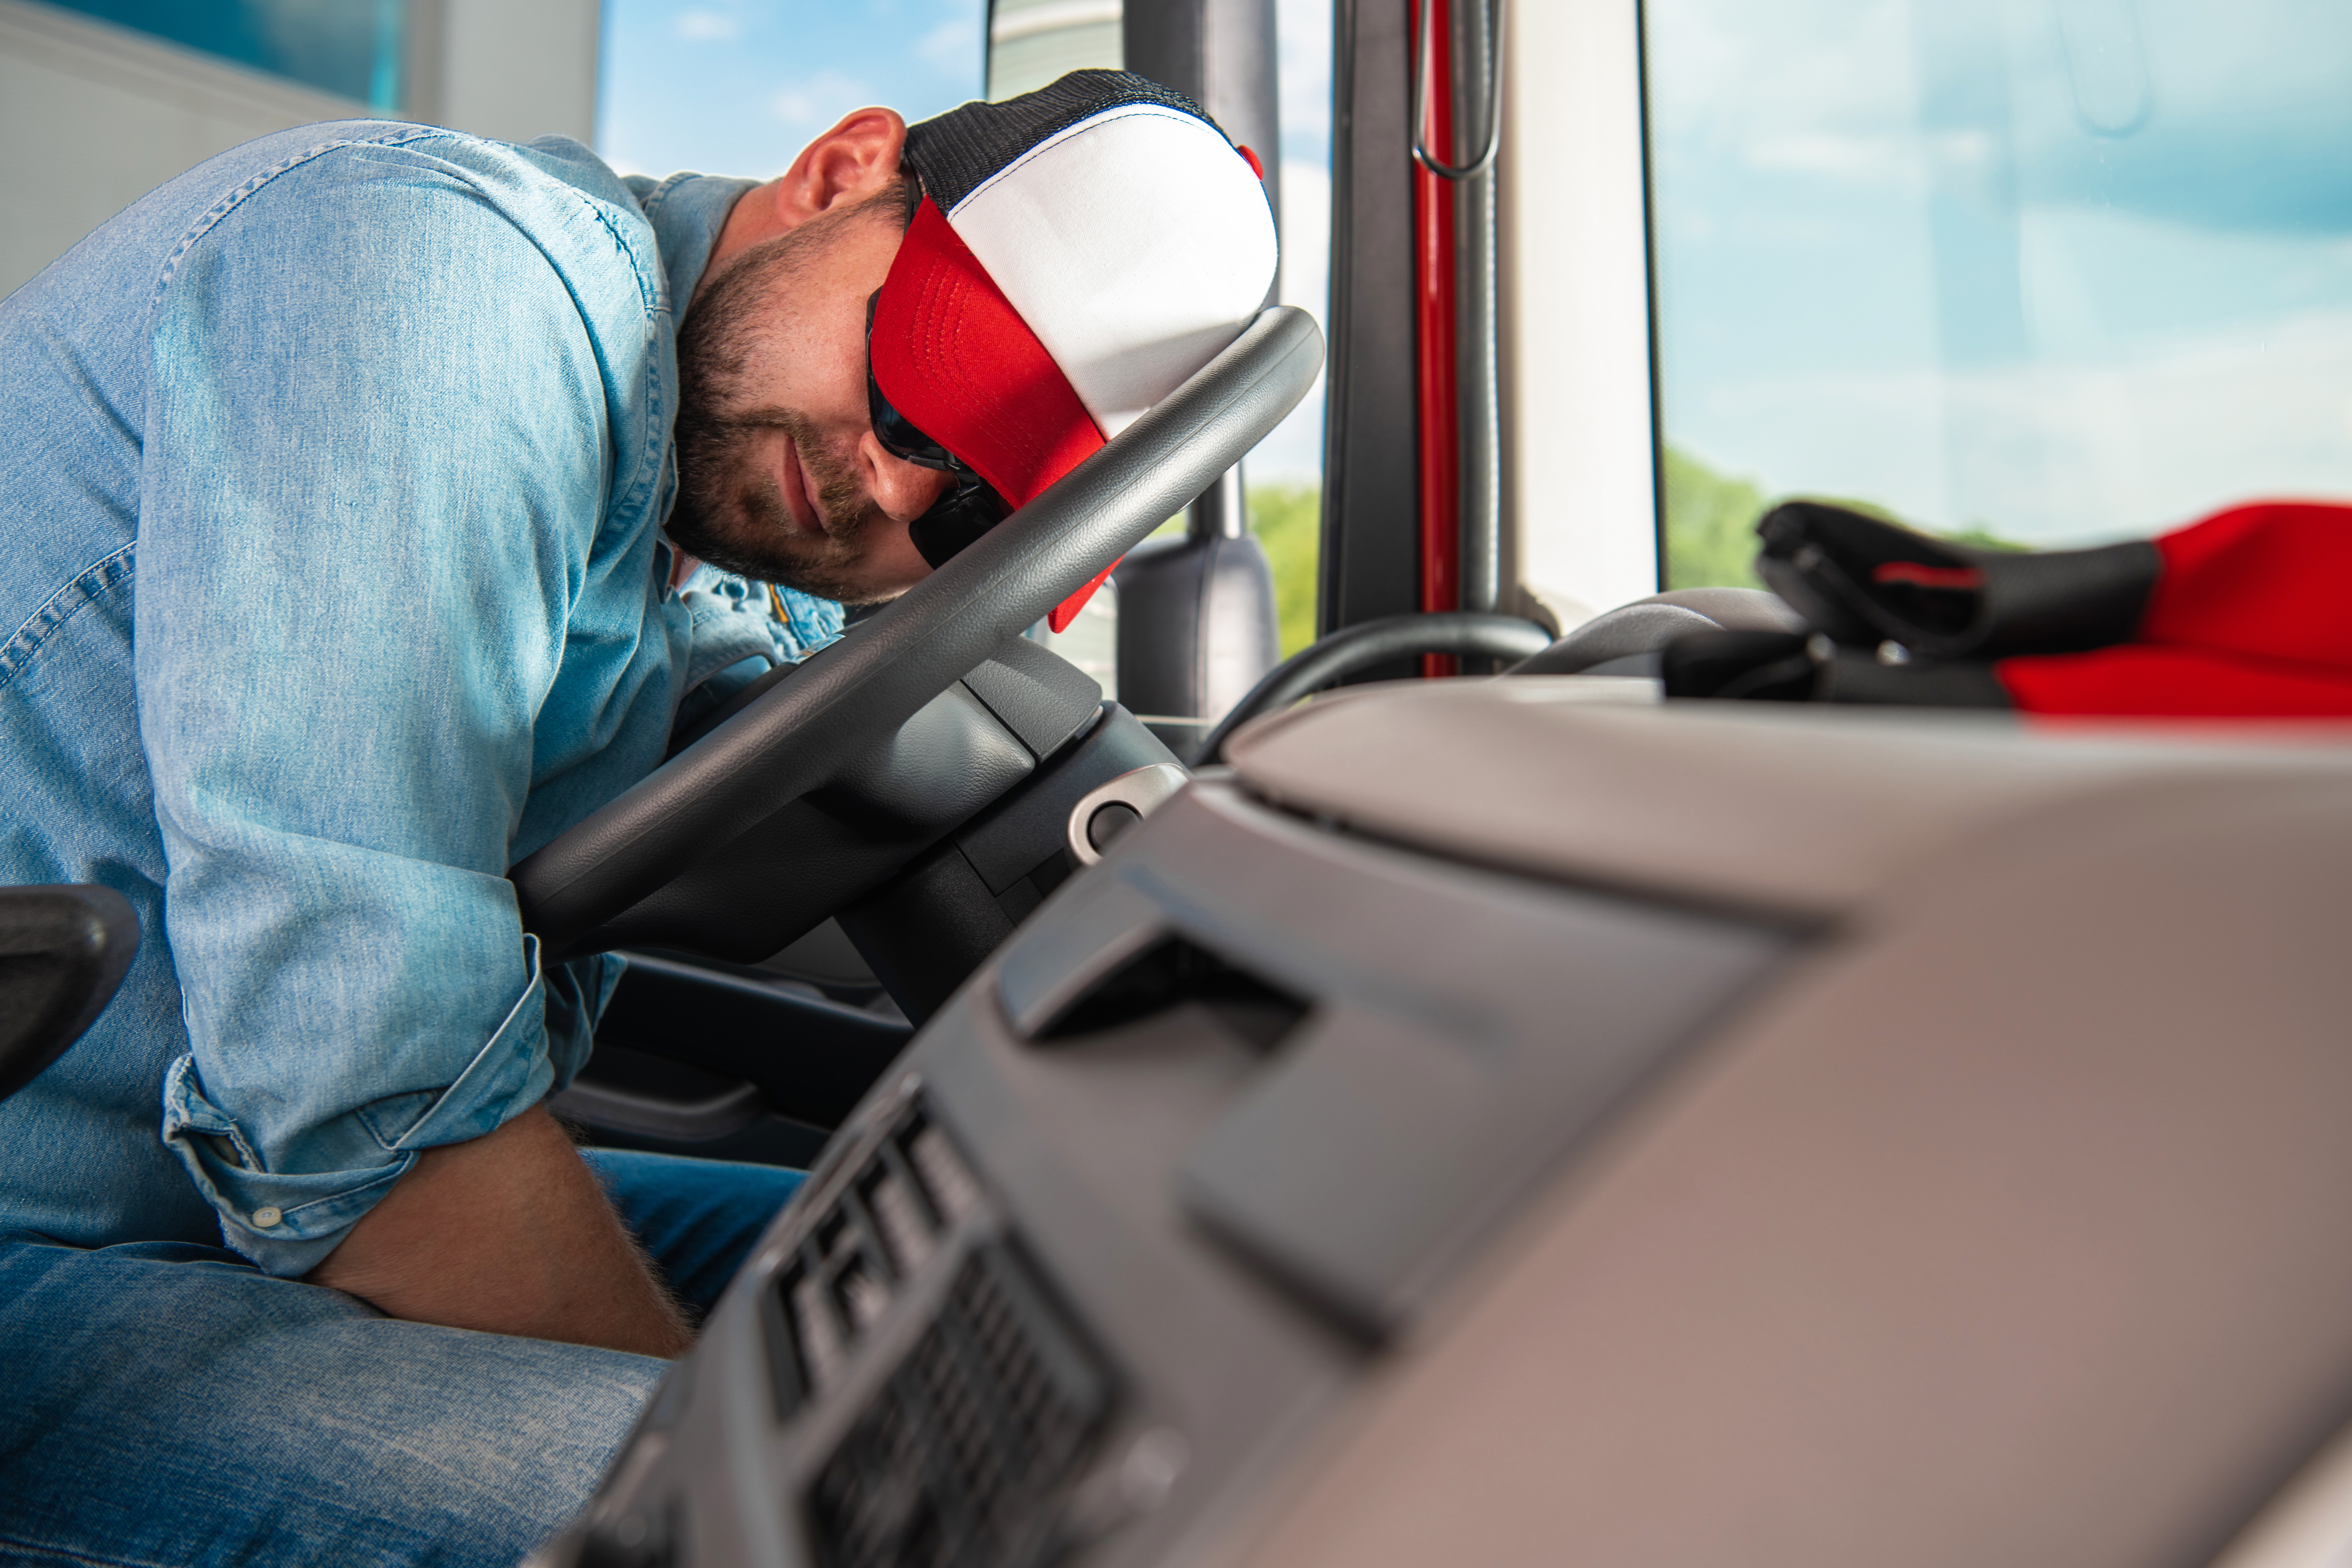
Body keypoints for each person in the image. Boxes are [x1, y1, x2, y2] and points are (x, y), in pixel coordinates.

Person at [0, 70, 1276, 1566]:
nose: (888, 482)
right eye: (919, 380)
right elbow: (361, 1106)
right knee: (873, 1529)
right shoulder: (440, 286)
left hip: (229, 1200)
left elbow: (850, 737)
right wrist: (742, 1466)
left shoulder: (702, 496)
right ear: (843, 170)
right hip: (66, 1227)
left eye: (975, 507)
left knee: (1094, 1340)